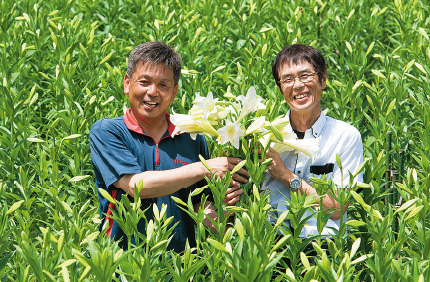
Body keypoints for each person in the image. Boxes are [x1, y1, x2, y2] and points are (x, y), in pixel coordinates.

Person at [90, 41, 247, 252]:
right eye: (144, 81)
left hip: (183, 268)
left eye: (163, 85)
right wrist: (205, 167)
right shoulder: (107, 131)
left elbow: (202, 212)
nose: (152, 92)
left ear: (174, 92)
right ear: (127, 83)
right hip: (126, 265)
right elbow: (136, 186)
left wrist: (225, 206)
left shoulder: (192, 137)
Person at [264, 44, 364, 239]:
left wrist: (285, 175)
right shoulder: (266, 135)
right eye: (287, 79)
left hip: (323, 246)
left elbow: (337, 208)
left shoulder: (345, 136)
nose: (298, 85)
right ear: (280, 88)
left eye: (305, 76)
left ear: (323, 79)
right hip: (272, 246)